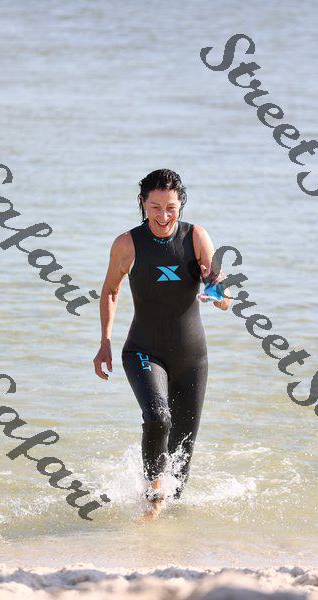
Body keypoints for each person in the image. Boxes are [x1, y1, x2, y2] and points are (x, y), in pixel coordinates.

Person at [93, 169, 231, 522]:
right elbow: (110, 291)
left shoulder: (196, 237)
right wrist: (105, 341)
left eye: (171, 207)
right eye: (155, 207)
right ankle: (153, 496)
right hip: (143, 349)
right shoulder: (128, 243)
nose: (164, 216)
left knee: (183, 453)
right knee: (157, 419)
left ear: (181, 203)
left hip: (191, 358)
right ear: (143, 203)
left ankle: (169, 531)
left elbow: (224, 298)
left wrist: (214, 288)